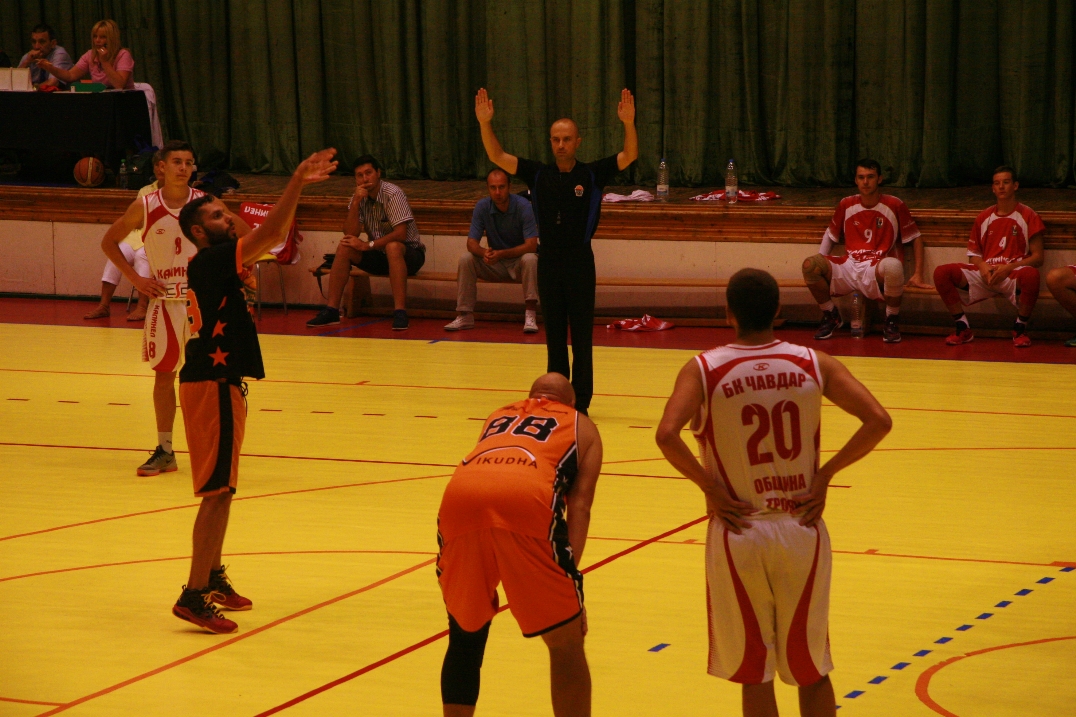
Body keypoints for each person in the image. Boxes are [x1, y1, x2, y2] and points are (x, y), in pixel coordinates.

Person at [655, 268, 891, 717]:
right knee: (810, 667)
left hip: (739, 529)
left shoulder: (703, 368)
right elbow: (879, 420)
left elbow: (667, 435)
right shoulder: (814, 362)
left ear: (728, 313)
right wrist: (826, 474)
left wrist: (710, 487)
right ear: (778, 311)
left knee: (755, 672)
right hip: (801, 526)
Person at [169, 149, 339, 633]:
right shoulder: (211, 260)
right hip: (211, 384)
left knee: (224, 489)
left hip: (220, 382)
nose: (228, 217)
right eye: (217, 215)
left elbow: (262, 238)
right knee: (215, 493)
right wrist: (297, 180)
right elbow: (270, 234)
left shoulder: (218, 261)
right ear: (198, 232)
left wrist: (237, 220)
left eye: (227, 210)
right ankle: (193, 594)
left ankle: (211, 576)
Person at [437, 372, 602, 716]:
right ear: (571, 403)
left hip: (460, 499)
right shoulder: (581, 425)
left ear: (530, 396)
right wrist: (567, 580)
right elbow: (581, 506)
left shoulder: (498, 415)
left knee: (465, 633)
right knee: (566, 641)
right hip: (526, 499)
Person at [475, 88, 637, 414]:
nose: (561, 144)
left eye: (566, 139)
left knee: (582, 338)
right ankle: (558, 400)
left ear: (578, 142)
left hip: (580, 262)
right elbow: (497, 156)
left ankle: (582, 403)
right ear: (550, 142)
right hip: (548, 262)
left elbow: (629, 155)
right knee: (555, 339)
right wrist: (485, 123)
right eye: (555, 139)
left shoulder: (591, 174)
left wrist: (628, 124)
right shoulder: (538, 174)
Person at [99, 140, 248, 477]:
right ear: (160, 168)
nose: (184, 168)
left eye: (189, 162)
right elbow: (109, 242)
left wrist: (233, 272)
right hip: (165, 302)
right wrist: (136, 280)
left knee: (216, 378)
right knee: (164, 376)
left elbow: (246, 235)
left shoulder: (207, 204)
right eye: (177, 161)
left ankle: (219, 446)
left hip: (204, 304)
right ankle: (165, 450)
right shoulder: (145, 205)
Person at [801, 159, 929, 344]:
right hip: (850, 263)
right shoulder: (846, 204)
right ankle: (831, 315)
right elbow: (831, 234)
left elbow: (915, 237)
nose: (866, 182)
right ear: (856, 180)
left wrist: (918, 274)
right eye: (861, 177)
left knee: (893, 267)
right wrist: (822, 258)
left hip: (877, 266)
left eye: (870, 177)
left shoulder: (894, 204)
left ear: (880, 179)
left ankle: (891, 320)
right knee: (810, 265)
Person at [306, 155, 425, 330]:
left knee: (393, 247)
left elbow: (400, 235)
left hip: (409, 254)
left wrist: (367, 245)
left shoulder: (393, 194)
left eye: (368, 173)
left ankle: (400, 312)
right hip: (379, 254)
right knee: (345, 245)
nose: (365, 178)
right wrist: (355, 203)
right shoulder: (358, 197)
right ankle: (332, 310)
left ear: (378, 173)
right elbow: (351, 232)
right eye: (360, 175)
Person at [934, 167, 1045, 347]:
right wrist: (983, 266)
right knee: (941, 272)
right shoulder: (984, 217)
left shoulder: (1028, 215)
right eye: (997, 183)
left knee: (1032, 275)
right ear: (993, 188)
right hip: (987, 273)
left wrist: (1009, 268)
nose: (1001, 187)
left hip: (1012, 273)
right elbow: (973, 255)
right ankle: (963, 327)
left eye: (1006, 182)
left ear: (1015, 186)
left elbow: (1038, 258)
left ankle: (1020, 328)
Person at [445, 168, 539, 333]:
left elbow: (531, 245)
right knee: (466, 259)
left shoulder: (523, 206)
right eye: (493, 187)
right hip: (494, 264)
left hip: (519, 264)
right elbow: (471, 243)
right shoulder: (482, 206)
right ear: (487, 188)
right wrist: (484, 253)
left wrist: (502, 253)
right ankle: (465, 314)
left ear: (509, 187)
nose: (497, 192)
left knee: (531, 259)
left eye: (501, 187)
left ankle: (530, 314)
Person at [84, 153, 164, 321]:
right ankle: (104, 305)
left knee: (143, 256)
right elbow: (137, 221)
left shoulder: (174, 193)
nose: (160, 169)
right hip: (136, 236)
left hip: (156, 240)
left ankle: (142, 306)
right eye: (157, 165)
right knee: (116, 254)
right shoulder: (145, 190)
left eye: (163, 165)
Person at [36, 19, 134, 90]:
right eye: (95, 36)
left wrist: (104, 62)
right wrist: (51, 68)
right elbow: (70, 75)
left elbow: (119, 85)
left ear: (112, 39)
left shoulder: (123, 55)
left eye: (102, 37)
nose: (97, 40)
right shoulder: (90, 54)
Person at [18, 24, 72, 89]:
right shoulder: (28, 57)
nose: (36, 46)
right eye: (34, 42)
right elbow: (14, 83)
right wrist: (27, 62)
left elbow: (53, 83)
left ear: (53, 43)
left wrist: (33, 89)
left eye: (42, 42)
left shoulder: (60, 54)